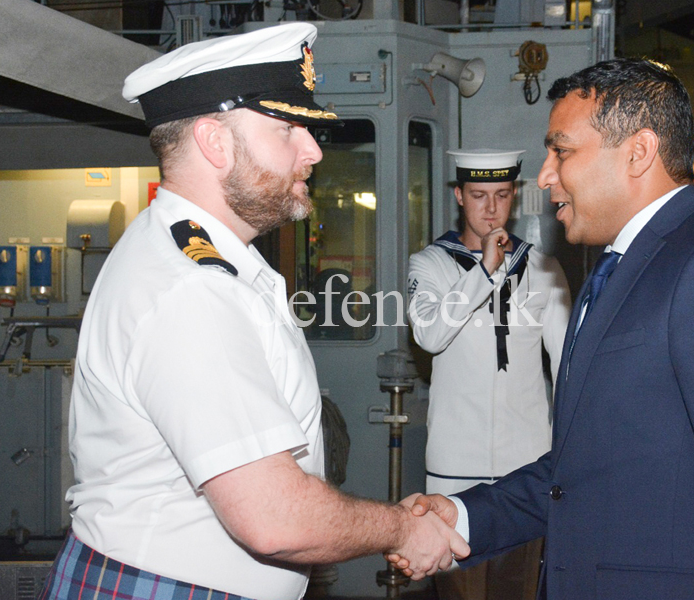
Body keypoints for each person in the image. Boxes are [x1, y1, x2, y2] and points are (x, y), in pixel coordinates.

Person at [37, 23, 467, 600]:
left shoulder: (208, 261)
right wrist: (401, 528)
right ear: (215, 142)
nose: (313, 149)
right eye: (289, 128)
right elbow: (274, 519)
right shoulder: (190, 288)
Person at [391, 58, 694, 599]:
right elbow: (583, 467)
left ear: (638, 153)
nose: (546, 174)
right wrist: (462, 514)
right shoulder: (618, 267)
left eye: (562, 150)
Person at [406, 149, 571, 600]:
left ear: (514, 197)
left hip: (526, 467)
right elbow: (430, 335)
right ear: (459, 196)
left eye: (501, 195)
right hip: (454, 469)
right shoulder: (430, 266)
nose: (491, 208)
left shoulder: (542, 268)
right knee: (461, 593)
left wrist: (565, 449)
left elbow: (567, 364)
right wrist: (483, 272)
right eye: (478, 195)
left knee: (517, 590)